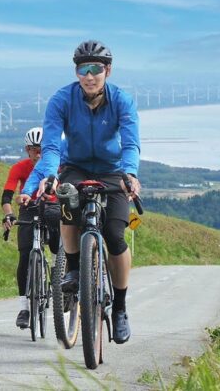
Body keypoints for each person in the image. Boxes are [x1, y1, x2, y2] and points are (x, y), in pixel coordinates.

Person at [19, 40, 141, 344]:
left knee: (115, 237)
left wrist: (130, 173)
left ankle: (121, 309)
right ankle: (73, 267)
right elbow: (49, 145)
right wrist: (49, 174)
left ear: (107, 71)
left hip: (113, 170)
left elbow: (130, 142)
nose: (89, 76)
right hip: (75, 166)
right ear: (76, 72)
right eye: (82, 69)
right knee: (68, 210)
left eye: (95, 69)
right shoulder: (61, 99)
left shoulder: (122, 101)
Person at [1, 127, 61, 329]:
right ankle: (24, 307)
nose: (39, 153)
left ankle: (57, 269)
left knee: (57, 246)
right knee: (25, 256)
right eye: (35, 149)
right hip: (28, 207)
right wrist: (9, 214)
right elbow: (6, 196)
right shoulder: (19, 168)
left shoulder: (55, 165)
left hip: (53, 206)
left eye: (43, 149)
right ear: (27, 149)